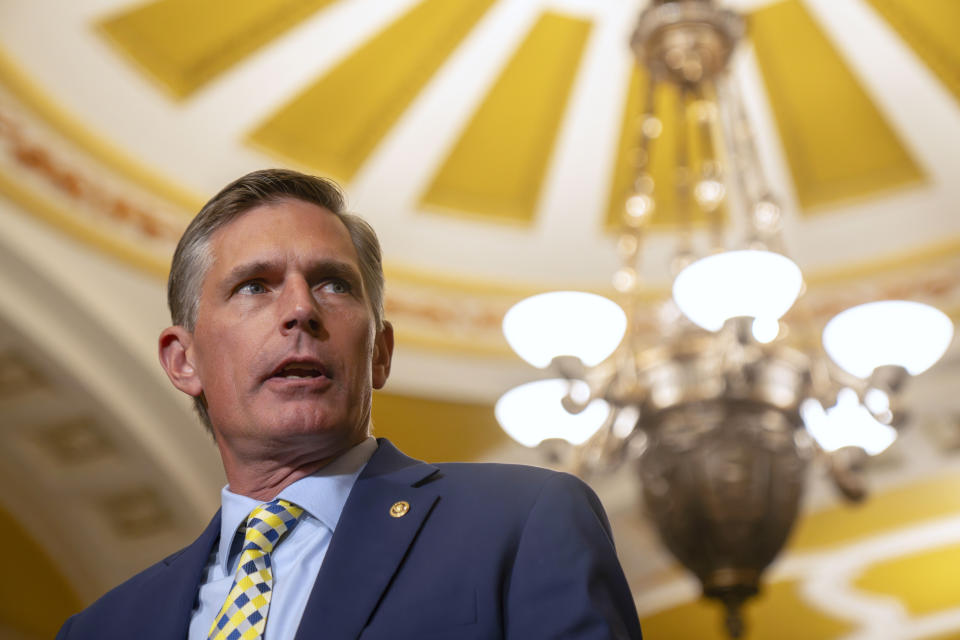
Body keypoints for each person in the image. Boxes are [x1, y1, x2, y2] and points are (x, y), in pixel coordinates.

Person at [56, 168, 643, 639]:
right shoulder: (101, 627)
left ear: (379, 354)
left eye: (333, 283)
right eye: (254, 285)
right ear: (183, 361)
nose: (300, 309)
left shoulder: (524, 522)